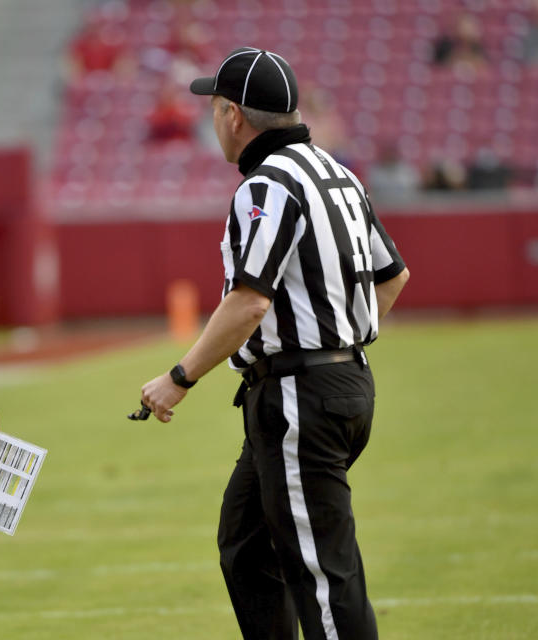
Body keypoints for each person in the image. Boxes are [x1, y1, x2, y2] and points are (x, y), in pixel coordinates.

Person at [134, 47, 410, 639]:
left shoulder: (268, 185)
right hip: (340, 383)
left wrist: (178, 378)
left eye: (214, 108)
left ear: (234, 115)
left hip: (299, 395)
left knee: (322, 576)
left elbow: (249, 299)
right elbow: (393, 276)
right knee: (246, 545)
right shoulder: (338, 173)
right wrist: (341, 343)